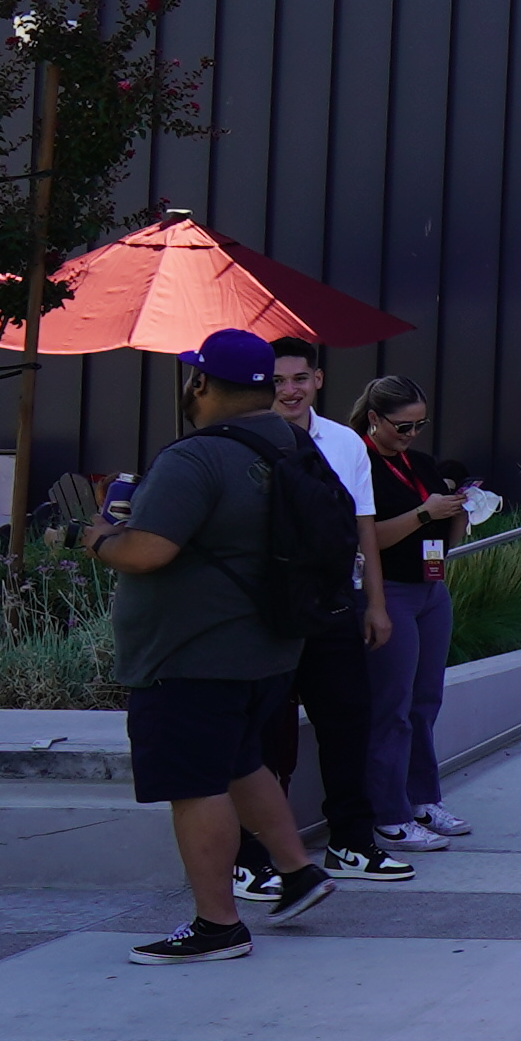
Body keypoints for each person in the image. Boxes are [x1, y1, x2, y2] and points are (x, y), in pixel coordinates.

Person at [92, 329, 347, 961]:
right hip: (266, 648)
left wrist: (92, 536)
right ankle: (298, 870)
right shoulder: (291, 443)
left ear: (200, 382)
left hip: (190, 654)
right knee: (238, 762)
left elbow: (147, 551)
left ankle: (218, 925)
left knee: (194, 783)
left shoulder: (195, 458)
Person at [237, 337, 408, 895]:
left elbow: (364, 527)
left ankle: (351, 843)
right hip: (263, 606)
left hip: (334, 601)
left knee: (346, 722)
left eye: (299, 378)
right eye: (277, 380)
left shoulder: (344, 443)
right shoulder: (243, 436)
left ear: (318, 379)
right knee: (258, 732)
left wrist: (376, 605)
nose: (288, 390)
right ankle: (250, 857)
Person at [353, 376, 475, 849]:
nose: (411, 435)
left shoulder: (419, 463)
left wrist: (459, 510)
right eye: (402, 427)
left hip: (430, 584)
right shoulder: (358, 463)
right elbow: (367, 537)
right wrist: (425, 512)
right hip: (388, 590)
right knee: (392, 704)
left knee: (426, 699)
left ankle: (423, 797)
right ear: (374, 420)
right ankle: (388, 812)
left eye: (420, 426)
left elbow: (447, 540)